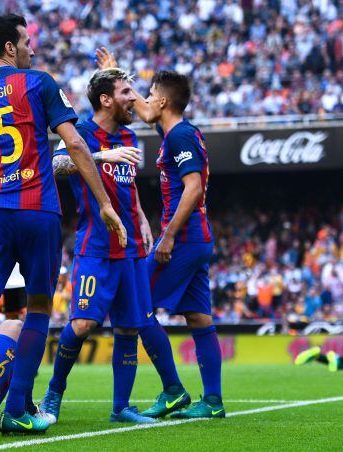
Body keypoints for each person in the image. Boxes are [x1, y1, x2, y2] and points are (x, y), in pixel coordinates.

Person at [0, 14, 126, 440]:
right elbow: (75, 142)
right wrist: (103, 204)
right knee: (38, 306)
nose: (32, 48)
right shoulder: (39, 82)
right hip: (37, 208)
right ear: (9, 47)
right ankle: (18, 410)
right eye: (26, 41)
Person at [38, 67, 187, 424]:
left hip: (131, 248)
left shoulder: (129, 136)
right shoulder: (81, 133)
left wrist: (142, 218)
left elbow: (128, 187)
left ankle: (121, 408)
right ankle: (53, 393)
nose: (132, 100)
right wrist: (103, 156)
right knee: (83, 324)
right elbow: (56, 165)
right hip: (95, 248)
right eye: (125, 93)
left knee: (128, 327)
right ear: (106, 99)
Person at [96, 48, 222, 419]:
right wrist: (115, 74)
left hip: (183, 238)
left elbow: (194, 188)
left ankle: (172, 389)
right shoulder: (179, 131)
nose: (141, 103)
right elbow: (148, 112)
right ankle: (212, 401)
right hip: (199, 237)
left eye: (148, 95)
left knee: (138, 304)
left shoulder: (180, 135)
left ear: (163, 100)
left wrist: (167, 236)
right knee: (199, 317)